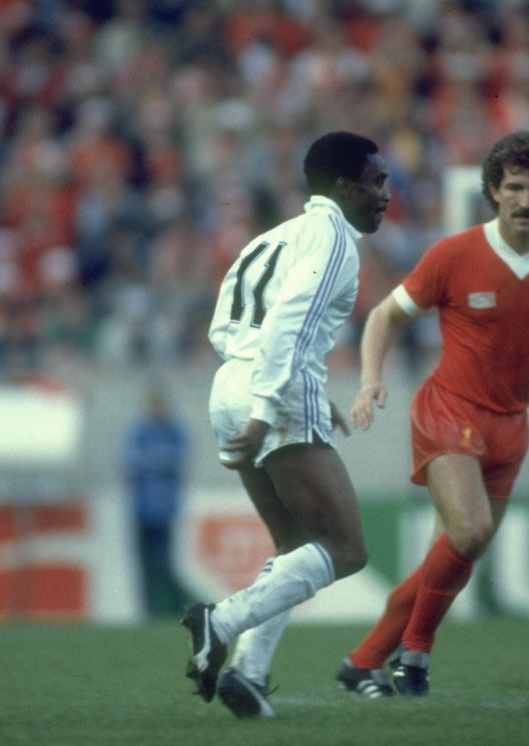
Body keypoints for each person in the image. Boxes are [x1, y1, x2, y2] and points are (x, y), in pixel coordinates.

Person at [337, 130, 529, 698]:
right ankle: (416, 657)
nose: (526, 199)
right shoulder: (454, 255)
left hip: (510, 426)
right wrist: (370, 379)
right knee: (470, 531)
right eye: (515, 187)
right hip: (448, 410)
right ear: (494, 192)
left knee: (450, 555)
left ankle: (362, 662)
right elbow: (383, 316)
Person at [183, 131, 391, 718]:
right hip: (269, 388)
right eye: (377, 183)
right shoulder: (334, 240)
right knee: (346, 548)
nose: (386, 195)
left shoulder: (273, 237)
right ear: (347, 186)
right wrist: (273, 402)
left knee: (294, 542)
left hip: (229, 381)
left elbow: (239, 319)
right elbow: (288, 321)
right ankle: (219, 620)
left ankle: (249, 674)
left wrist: (283, 394)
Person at [121, 385, 189, 617]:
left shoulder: (174, 431)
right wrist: (159, 460)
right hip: (142, 509)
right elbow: (129, 461)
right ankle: (148, 612)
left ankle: (170, 610)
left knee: (165, 564)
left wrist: (150, 461)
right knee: (144, 566)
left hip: (165, 510)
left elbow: (178, 459)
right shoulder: (139, 431)